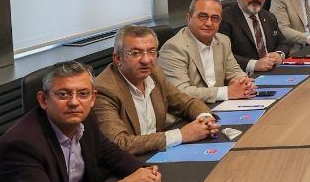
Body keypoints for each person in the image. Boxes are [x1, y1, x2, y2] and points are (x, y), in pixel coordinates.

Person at [0, 62, 162, 182]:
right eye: (63, 94)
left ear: (93, 98)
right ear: (43, 100)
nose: (74, 102)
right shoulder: (21, 145)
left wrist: (144, 171)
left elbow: (110, 154)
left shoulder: (84, 119)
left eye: (83, 94)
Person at [92, 24, 218, 157]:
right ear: (118, 58)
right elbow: (119, 144)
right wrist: (181, 135)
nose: (146, 60)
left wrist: (205, 118)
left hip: (158, 154)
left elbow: (185, 103)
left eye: (151, 51)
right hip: (130, 162)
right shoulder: (104, 90)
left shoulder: (154, 73)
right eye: (136, 53)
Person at [158, 0, 257, 105]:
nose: (209, 23)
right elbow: (180, 92)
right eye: (202, 16)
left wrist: (243, 82)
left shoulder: (223, 41)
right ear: (188, 18)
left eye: (215, 18)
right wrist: (227, 92)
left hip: (219, 105)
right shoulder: (174, 48)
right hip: (189, 111)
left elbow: (234, 71)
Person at [221, 0, 286, 74]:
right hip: (244, 76)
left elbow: (283, 43)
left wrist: (279, 54)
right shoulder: (225, 18)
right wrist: (253, 64)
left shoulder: (269, 16)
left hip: (273, 72)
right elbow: (223, 55)